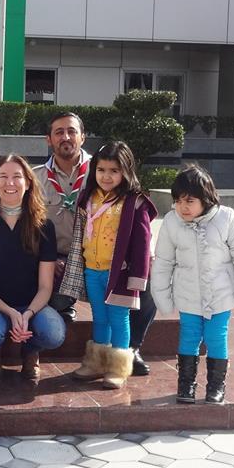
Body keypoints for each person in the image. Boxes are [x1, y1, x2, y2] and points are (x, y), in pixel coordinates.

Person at [34, 112, 158, 376]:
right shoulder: (37, 178)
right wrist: (48, 259)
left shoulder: (104, 167)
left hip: (114, 263)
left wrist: (142, 262)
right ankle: (82, 340)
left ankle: (129, 351)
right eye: (59, 132)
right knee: (93, 314)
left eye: (72, 131)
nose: (66, 137)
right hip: (65, 261)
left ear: (83, 136)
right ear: (48, 139)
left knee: (146, 290)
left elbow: (138, 230)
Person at [150, 165, 234, 405]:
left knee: (216, 337)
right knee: (189, 336)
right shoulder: (172, 222)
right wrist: (163, 298)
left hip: (220, 295)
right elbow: (164, 262)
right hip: (188, 294)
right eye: (178, 201)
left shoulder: (226, 218)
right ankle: (186, 384)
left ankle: (216, 386)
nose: (183, 207)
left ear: (206, 199)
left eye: (190, 201)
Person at [58, 141, 157, 390]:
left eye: (114, 171)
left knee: (119, 319)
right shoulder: (88, 197)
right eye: (101, 170)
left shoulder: (134, 202)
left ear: (126, 171)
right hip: (92, 270)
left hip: (119, 274)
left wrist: (138, 278)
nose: (106, 176)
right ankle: (96, 364)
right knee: (100, 318)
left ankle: (117, 368)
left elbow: (143, 243)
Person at [0, 155, 65, 382]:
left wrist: (28, 313)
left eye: (17, 177)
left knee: (54, 334)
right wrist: (11, 312)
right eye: (3, 176)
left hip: (33, 305)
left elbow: (45, 286)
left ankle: (31, 351)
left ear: (28, 183)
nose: (10, 183)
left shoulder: (44, 226)